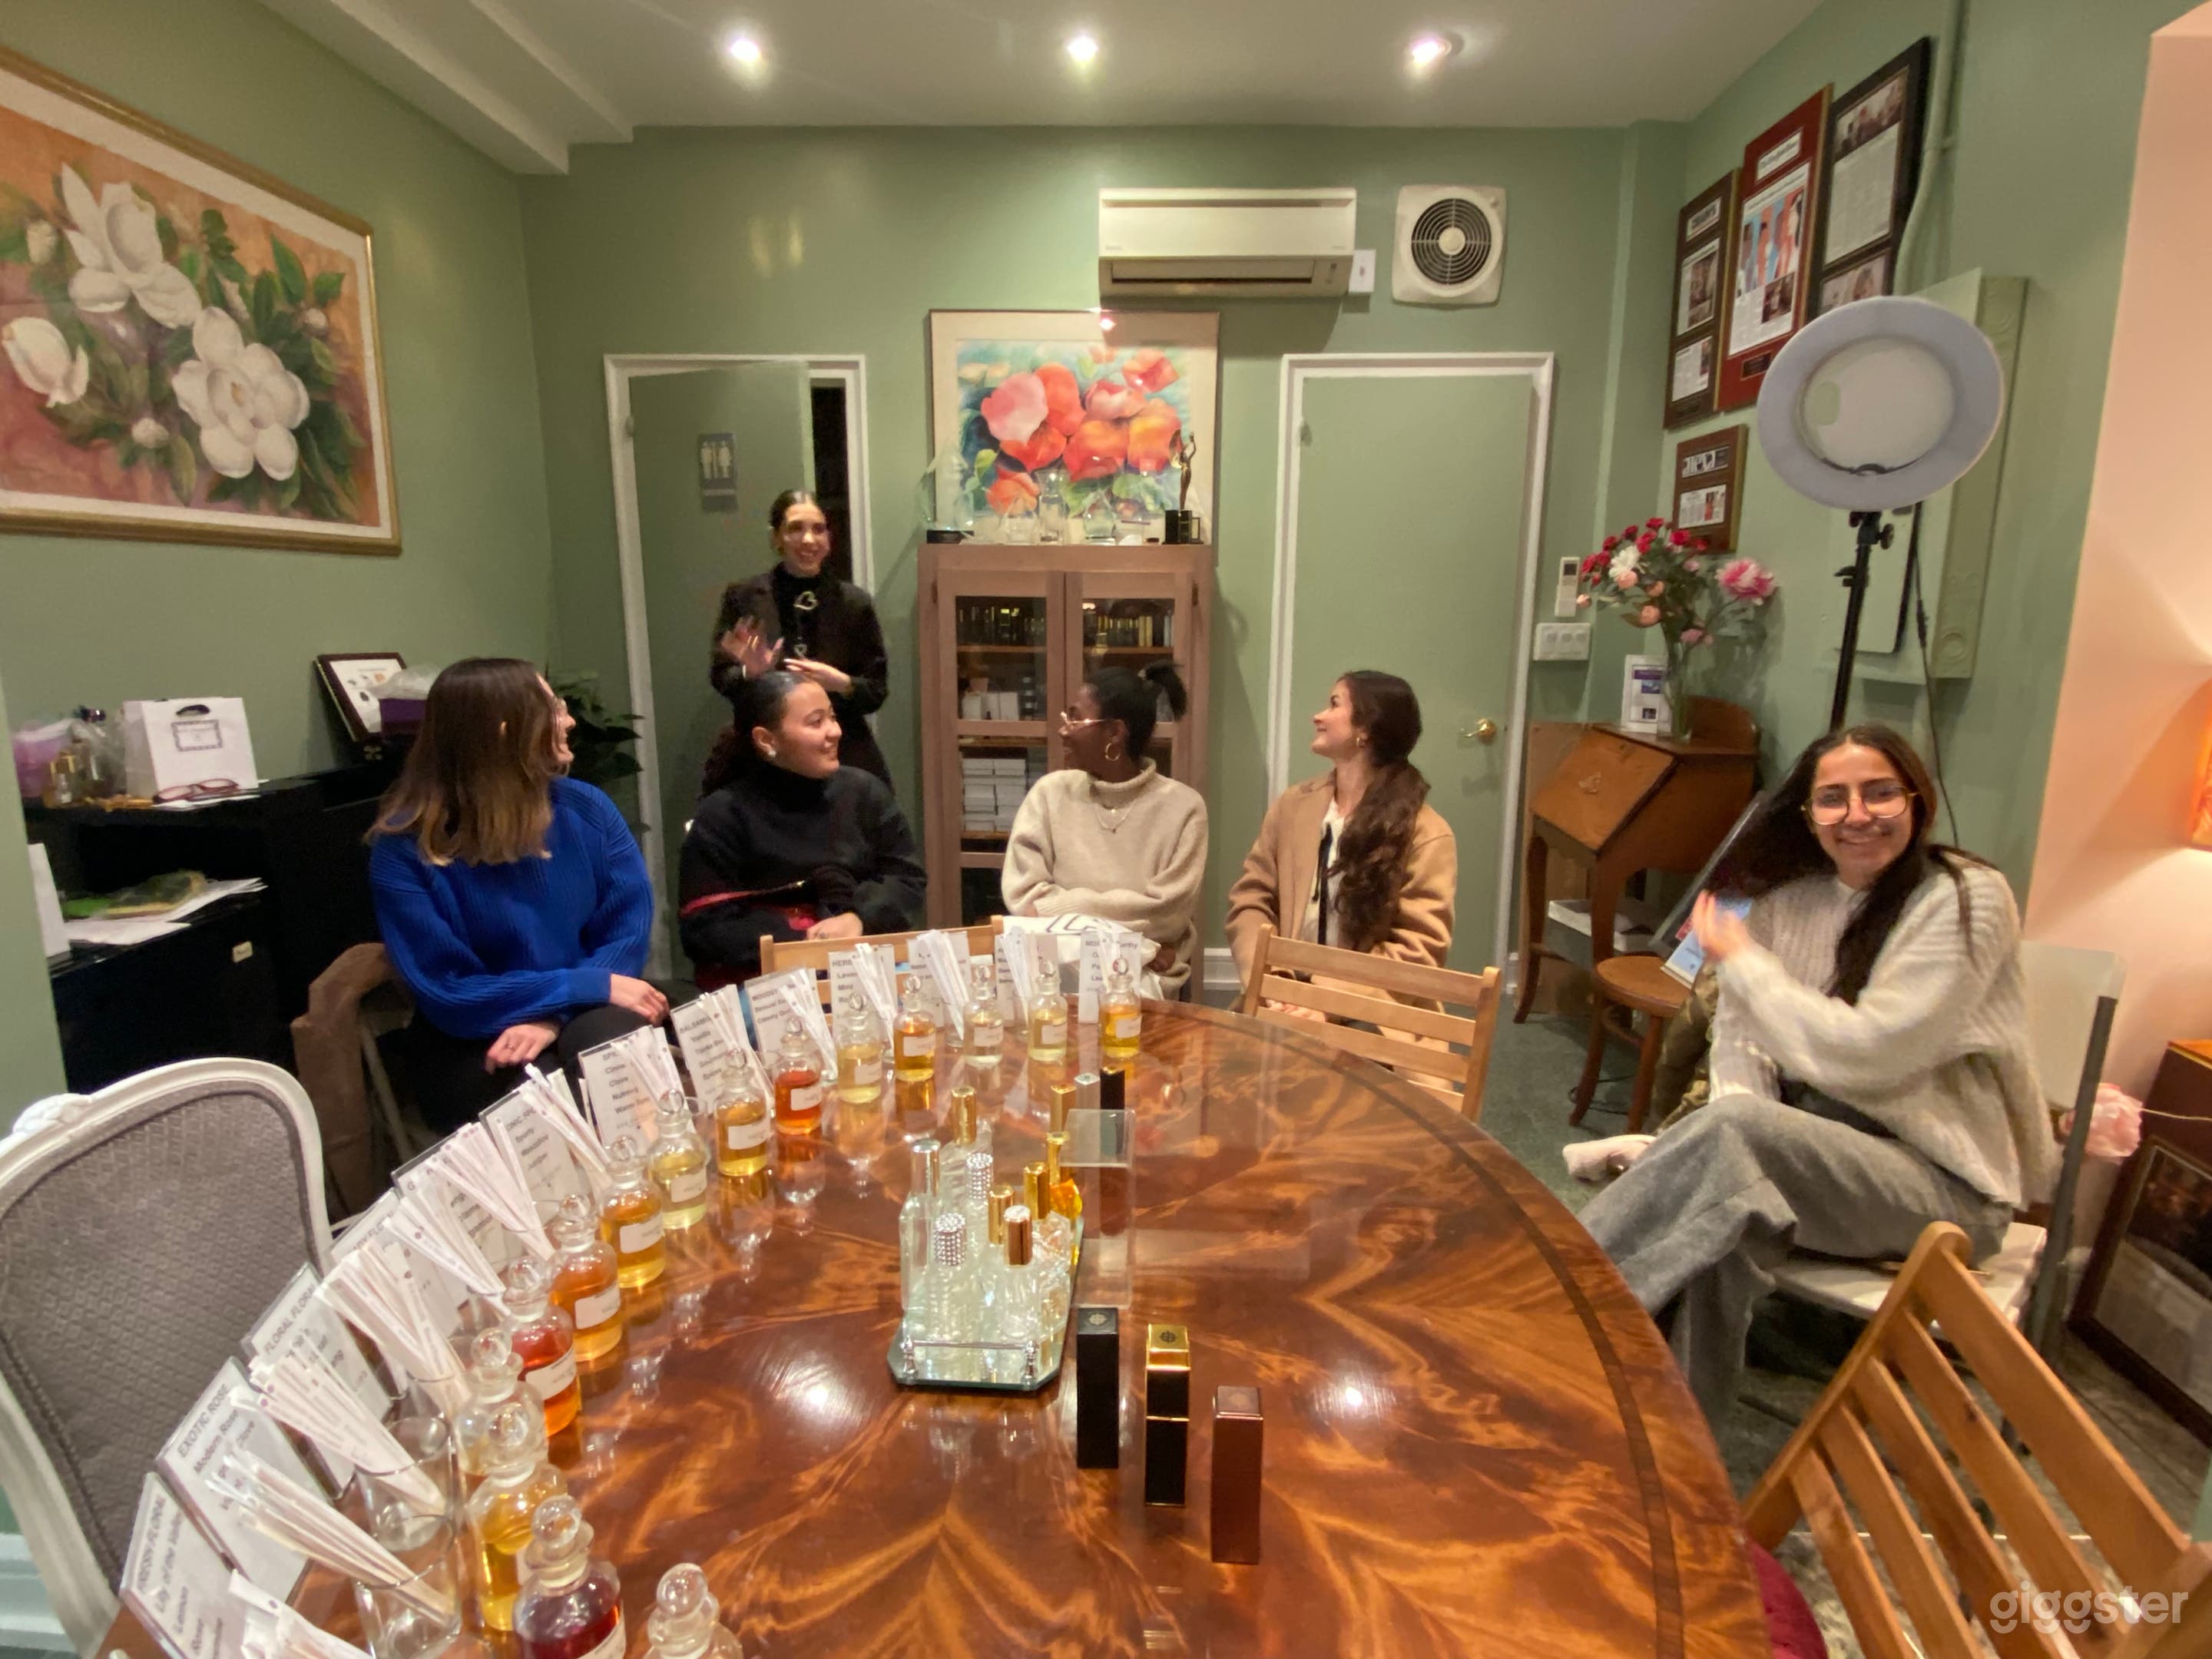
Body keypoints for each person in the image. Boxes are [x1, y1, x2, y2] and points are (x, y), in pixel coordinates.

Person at [1578, 724, 2050, 1423]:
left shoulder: (1963, 898)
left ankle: (1551, 1304)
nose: (1857, 814)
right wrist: (1743, 1117)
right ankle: (1667, 1440)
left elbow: (1873, 1055)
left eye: (1880, 792)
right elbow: (1740, 1046)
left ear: (1917, 799)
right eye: (1833, 798)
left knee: (1732, 1150)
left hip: (1945, 1190)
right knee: (1724, 1212)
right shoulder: (1786, 900)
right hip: (1812, 1162)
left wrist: (1743, 961)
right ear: (1807, 814)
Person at [369, 658, 664, 1134]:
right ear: (507, 733)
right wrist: (578, 989)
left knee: (612, 1051)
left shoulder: (588, 809)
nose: (570, 721)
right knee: (539, 1093)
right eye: (554, 711)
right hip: (473, 1031)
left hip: (589, 1005)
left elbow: (626, 933)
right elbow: (449, 990)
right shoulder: (405, 849)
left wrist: (554, 1016)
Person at [680, 670, 925, 985]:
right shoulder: (723, 813)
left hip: (862, 964)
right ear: (766, 740)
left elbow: (906, 878)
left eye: (832, 718)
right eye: (816, 722)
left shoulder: (865, 792)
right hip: (767, 980)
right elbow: (705, 927)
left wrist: (858, 919)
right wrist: (805, 940)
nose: (835, 731)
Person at [1226, 671, 1455, 992]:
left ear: (1366, 727)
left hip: (1369, 1009)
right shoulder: (1293, 806)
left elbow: (1419, 949)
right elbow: (1251, 899)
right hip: (1280, 995)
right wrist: (1271, 980)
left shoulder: (1426, 832)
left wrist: (1330, 1002)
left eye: (1334, 704)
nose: (1318, 716)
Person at [1002, 664, 1208, 994]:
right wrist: (1140, 946)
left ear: (1115, 733)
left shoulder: (1184, 808)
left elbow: (1166, 914)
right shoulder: (1049, 794)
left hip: (1145, 986)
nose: (1064, 730)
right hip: (1052, 979)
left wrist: (1063, 911)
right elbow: (1025, 899)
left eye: (1076, 719)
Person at [705, 488, 891, 792]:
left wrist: (842, 683)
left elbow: (876, 692)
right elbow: (721, 677)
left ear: (829, 539)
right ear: (776, 538)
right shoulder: (744, 597)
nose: (808, 540)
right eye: (795, 529)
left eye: (818, 529)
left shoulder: (854, 604)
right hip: (764, 757)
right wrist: (750, 673)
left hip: (840, 752)